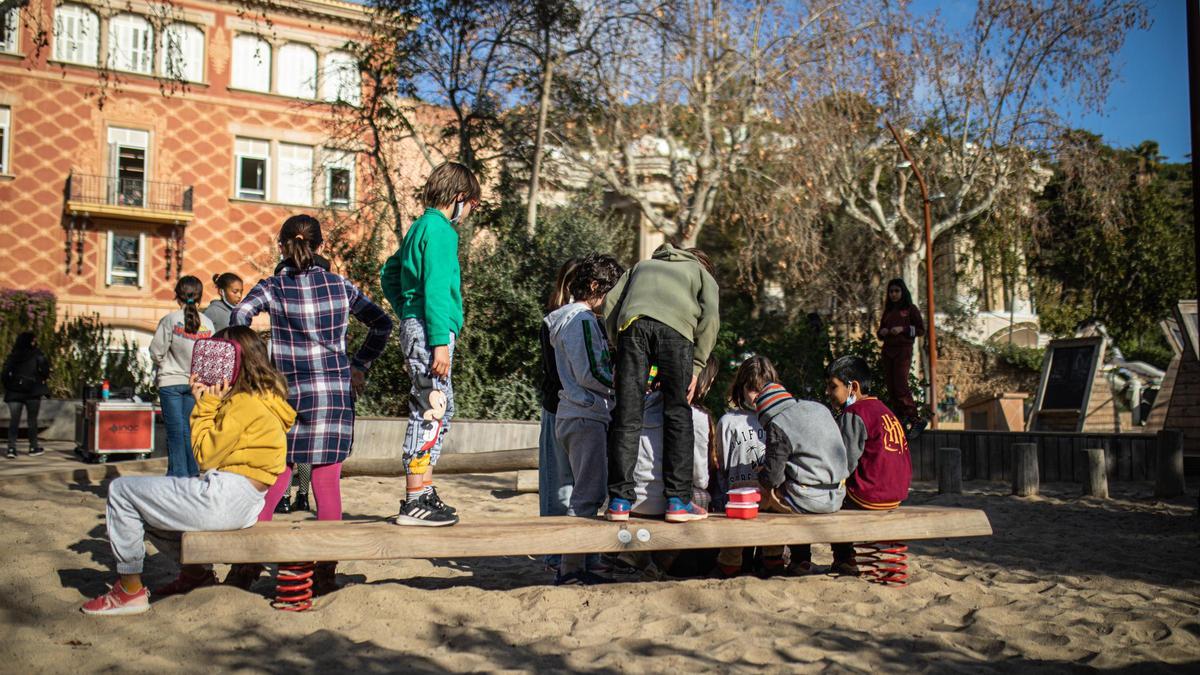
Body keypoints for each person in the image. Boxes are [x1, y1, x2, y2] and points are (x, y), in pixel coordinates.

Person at [80, 326, 296, 615]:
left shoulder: (244, 403)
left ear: (234, 361)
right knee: (149, 511)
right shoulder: (265, 398)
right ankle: (197, 576)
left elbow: (206, 457)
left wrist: (205, 404)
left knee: (121, 491)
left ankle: (130, 591)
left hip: (225, 496)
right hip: (245, 499)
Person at [228, 214, 393, 593]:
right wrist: (360, 365)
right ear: (319, 247)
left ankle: (247, 565)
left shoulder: (271, 286)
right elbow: (382, 323)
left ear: (282, 246)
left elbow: (239, 316)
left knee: (277, 476)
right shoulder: (340, 286)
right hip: (334, 392)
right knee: (325, 481)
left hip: (284, 395)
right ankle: (324, 570)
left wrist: (259, 364)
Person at [380, 162, 480, 526]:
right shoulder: (440, 230)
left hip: (418, 324)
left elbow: (389, 272)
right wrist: (438, 340)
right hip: (430, 330)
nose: (470, 213)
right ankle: (414, 499)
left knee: (441, 406)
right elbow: (437, 287)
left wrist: (407, 308)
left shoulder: (419, 228)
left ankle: (423, 490)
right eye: (472, 205)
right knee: (431, 408)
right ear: (458, 199)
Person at [603, 244, 720, 524]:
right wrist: (697, 365)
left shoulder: (642, 266)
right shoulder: (701, 274)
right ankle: (678, 501)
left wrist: (617, 348)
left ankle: (619, 501)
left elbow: (610, 304)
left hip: (634, 325)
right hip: (676, 332)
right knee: (678, 413)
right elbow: (710, 320)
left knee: (628, 413)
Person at [546, 253, 624, 584]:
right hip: (587, 414)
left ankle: (579, 563)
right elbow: (592, 371)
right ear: (594, 286)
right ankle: (572, 568)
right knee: (587, 497)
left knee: (584, 493)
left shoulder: (561, 320)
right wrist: (625, 383)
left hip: (573, 413)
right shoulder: (583, 321)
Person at [745, 372, 848, 576]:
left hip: (810, 499)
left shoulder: (778, 423)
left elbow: (773, 478)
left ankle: (774, 561)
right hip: (838, 494)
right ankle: (838, 558)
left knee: (765, 496)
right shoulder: (819, 408)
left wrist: (762, 474)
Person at [825, 355, 913, 576]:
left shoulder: (854, 413)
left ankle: (845, 559)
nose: (828, 393)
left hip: (869, 494)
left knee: (829, 500)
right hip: (897, 493)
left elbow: (844, 463)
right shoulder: (885, 410)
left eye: (833, 386)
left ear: (852, 386)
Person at [712, 356, 771, 577]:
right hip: (737, 504)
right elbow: (722, 465)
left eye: (762, 389)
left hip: (767, 503)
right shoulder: (729, 421)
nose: (757, 396)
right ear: (741, 388)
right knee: (736, 562)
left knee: (767, 559)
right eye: (752, 389)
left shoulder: (775, 421)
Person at [150, 275, 214, 478]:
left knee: (175, 432)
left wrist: (165, 366)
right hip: (195, 384)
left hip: (170, 382)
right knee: (188, 430)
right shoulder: (208, 324)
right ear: (200, 298)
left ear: (177, 296)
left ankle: (177, 475)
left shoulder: (170, 320)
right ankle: (191, 472)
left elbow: (156, 351)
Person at [538, 257, 581, 521]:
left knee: (559, 484)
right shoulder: (578, 320)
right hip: (569, 406)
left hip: (556, 406)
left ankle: (556, 556)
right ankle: (560, 555)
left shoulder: (551, 319)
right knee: (567, 485)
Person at [878, 278, 926, 437]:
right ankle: (901, 419)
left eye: (897, 291)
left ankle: (915, 418)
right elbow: (880, 332)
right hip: (888, 351)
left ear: (903, 292)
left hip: (903, 351)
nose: (893, 294)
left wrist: (903, 329)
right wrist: (883, 332)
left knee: (900, 385)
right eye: (891, 291)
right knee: (891, 387)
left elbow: (920, 330)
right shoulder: (888, 311)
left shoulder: (910, 309)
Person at [3, 332, 50, 458]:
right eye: (34, 340)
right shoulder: (37, 354)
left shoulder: (13, 355)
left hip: (14, 392)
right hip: (32, 391)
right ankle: (33, 447)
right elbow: (45, 371)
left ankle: (11, 449)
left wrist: (10, 386)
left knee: (14, 421)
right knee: (32, 420)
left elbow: (5, 373)